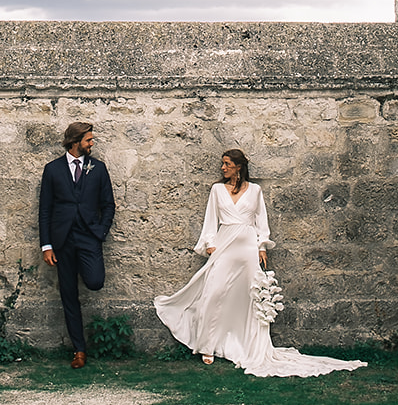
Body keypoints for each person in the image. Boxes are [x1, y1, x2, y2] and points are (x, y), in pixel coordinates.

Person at [154, 149, 366, 379]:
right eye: (222, 164)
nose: (222, 168)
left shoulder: (255, 190)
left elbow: (260, 221)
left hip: (247, 250)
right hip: (225, 246)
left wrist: (261, 246)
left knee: (247, 297)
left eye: (227, 164)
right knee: (214, 292)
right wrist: (210, 244)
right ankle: (208, 344)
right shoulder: (217, 190)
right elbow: (210, 221)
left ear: (238, 166)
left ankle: (245, 344)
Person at [39, 121, 115, 368]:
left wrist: (100, 233)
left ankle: (87, 267)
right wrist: (46, 245)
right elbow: (45, 210)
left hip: (89, 237)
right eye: (88, 140)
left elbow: (109, 205)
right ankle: (79, 350)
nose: (92, 143)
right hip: (62, 241)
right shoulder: (52, 170)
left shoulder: (99, 169)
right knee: (68, 294)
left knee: (95, 281)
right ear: (75, 142)